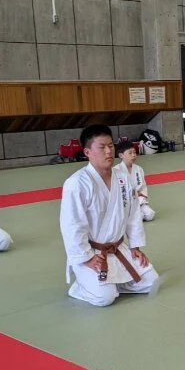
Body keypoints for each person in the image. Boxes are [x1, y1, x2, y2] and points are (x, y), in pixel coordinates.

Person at [60, 124, 158, 307]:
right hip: (93, 253)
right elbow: (72, 225)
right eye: (102, 147)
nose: (108, 151)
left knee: (152, 282)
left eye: (111, 146)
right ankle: (80, 287)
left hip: (118, 248)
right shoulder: (76, 183)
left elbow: (133, 213)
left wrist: (135, 245)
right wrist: (86, 257)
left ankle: (113, 283)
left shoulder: (122, 178)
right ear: (87, 152)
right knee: (104, 298)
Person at [115, 140, 155, 221]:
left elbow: (143, 186)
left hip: (138, 200)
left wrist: (139, 195)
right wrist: (133, 193)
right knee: (139, 217)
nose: (133, 155)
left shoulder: (139, 169)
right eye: (130, 153)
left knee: (150, 214)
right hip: (125, 202)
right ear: (121, 155)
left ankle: (135, 213)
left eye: (134, 152)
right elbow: (117, 191)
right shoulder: (116, 170)